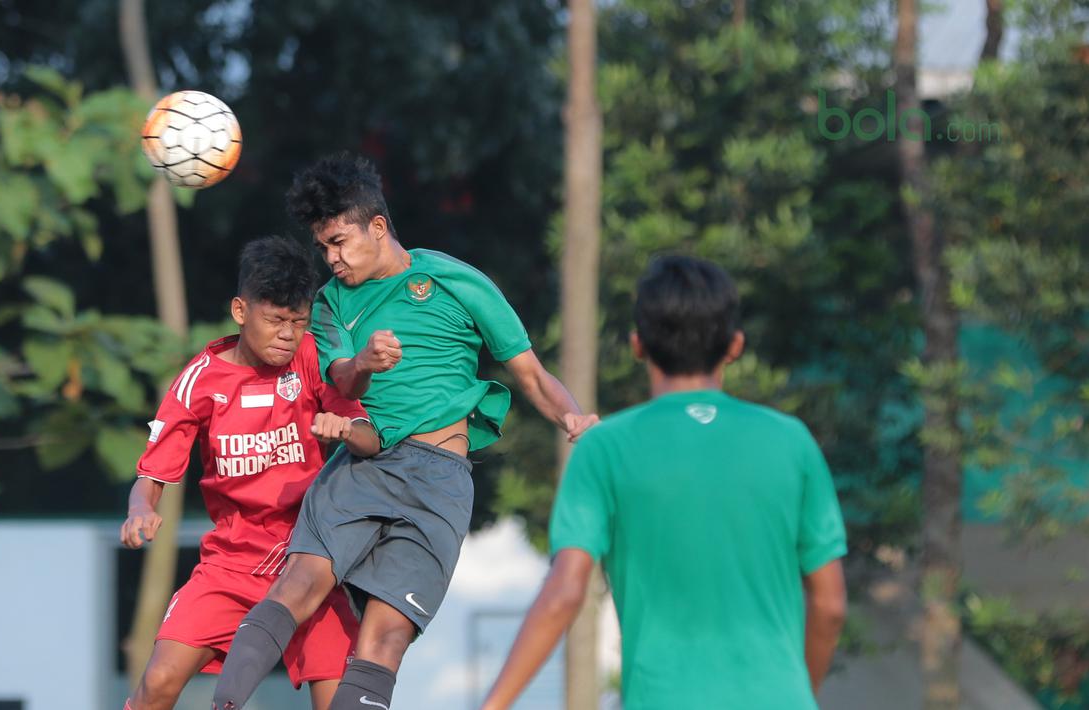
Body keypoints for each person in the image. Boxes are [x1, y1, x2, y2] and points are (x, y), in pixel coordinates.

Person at [211, 153, 600, 710]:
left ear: (377, 226)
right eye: (322, 246)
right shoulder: (329, 305)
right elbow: (341, 376)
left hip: (441, 482)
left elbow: (532, 375)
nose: (331, 258)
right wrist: (366, 361)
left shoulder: (456, 280)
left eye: (339, 241)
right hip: (362, 467)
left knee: (385, 639)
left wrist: (572, 416)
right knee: (296, 588)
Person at [480, 255, 848, 710]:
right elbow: (830, 606)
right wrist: (796, 693)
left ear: (638, 344)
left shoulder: (605, 448)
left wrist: (492, 705)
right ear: (734, 345)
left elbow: (566, 591)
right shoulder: (792, 442)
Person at [120, 236, 381, 710]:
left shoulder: (312, 360)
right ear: (241, 311)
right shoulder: (199, 382)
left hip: (309, 561)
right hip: (231, 567)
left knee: (342, 702)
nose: (287, 334)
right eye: (275, 320)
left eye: (297, 322)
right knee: (158, 682)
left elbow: (366, 433)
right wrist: (140, 511)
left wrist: (344, 427)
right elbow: (152, 475)